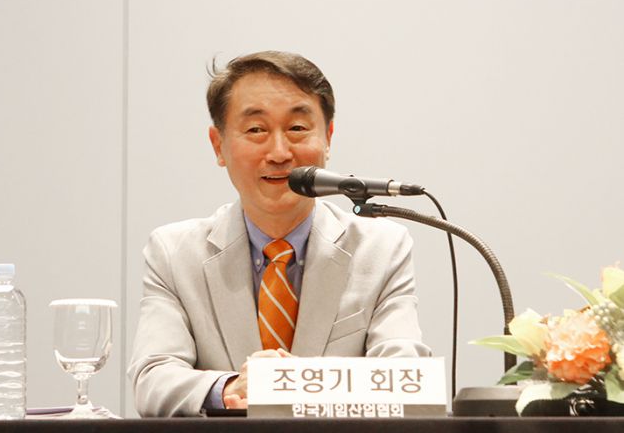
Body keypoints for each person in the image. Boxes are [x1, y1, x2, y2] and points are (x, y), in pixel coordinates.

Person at [128, 51, 431, 417]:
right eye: (256, 130)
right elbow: (153, 379)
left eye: (297, 128)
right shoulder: (174, 253)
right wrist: (230, 388)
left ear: (328, 138)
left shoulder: (381, 249)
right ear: (218, 145)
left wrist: (289, 383)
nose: (279, 152)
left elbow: (405, 377)